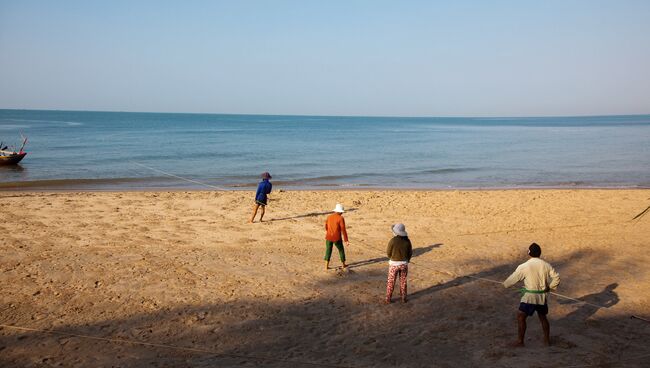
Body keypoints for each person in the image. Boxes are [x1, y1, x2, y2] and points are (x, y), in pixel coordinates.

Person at [503, 243, 560, 347]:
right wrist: (550, 287)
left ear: (529, 253)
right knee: (543, 317)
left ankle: (520, 341)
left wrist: (505, 284)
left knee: (521, 316)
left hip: (530, 298)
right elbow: (556, 277)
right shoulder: (546, 265)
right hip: (542, 297)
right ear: (539, 253)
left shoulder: (524, 266)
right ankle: (546, 341)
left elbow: (513, 278)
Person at [385, 223, 413, 304]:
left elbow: (388, 252)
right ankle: (403, 298)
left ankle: (388, 299)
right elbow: (410, 253)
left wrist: (392, 258)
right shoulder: (407, 241)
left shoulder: (393, 240)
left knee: (391, 281)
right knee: (403, 281)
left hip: (394, 264)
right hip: (404, 264)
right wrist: (407, 260)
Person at [324, 203, 349, 270]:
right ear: (340, 212)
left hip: (328, 236)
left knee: (328, 250)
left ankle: (326, 266)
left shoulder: (329, 217)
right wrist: (346, 240)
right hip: (337, 237)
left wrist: (329, 232)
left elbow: (326, 226)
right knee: (341, 250)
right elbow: (343, 230)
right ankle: (343, 264)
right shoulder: (341, 218)